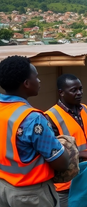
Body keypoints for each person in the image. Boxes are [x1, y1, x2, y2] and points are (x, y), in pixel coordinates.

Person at [0, 55, 70, 207]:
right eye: (36, 77)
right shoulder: (32, 118)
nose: (39, 81)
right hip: (31, 195)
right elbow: (61, 163)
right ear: (26, 83)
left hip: (3, 188)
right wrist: (67, 147)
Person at [45, 74, 87, 207]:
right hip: (68, 185)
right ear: (61, 92)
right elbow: (51, 154)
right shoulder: (50, 117)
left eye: (81, 89)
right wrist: (81, 153)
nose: (79, 93)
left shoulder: (86, 109)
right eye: (74, 90)